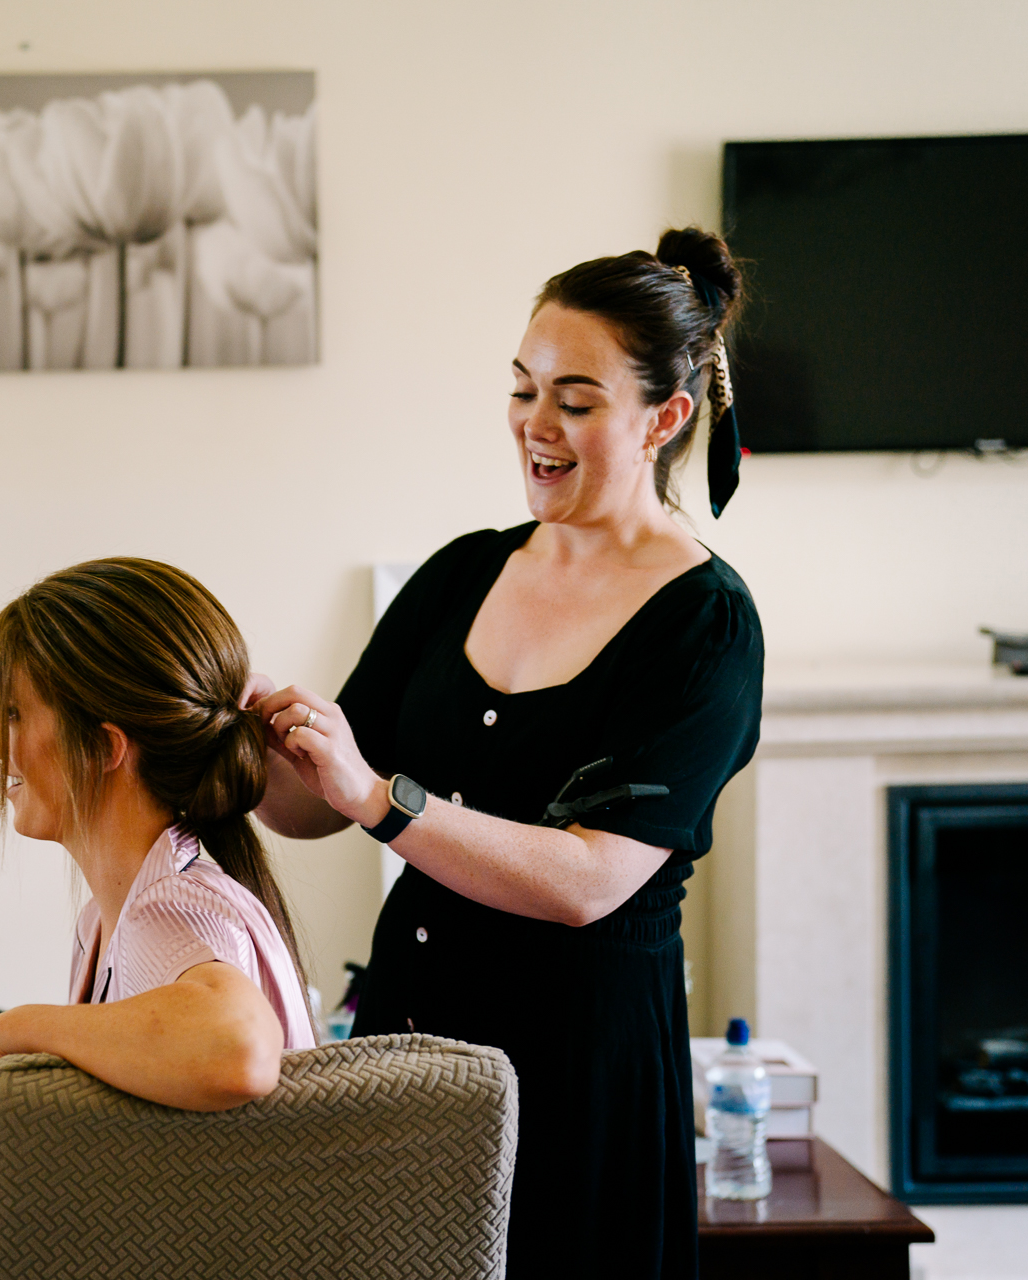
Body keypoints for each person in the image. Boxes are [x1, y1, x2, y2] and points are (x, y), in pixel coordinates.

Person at [250, 228, 763, 1278]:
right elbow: (304, 806)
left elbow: (588, 878)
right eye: (523, 389)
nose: (537, 425)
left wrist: (384, 799)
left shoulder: (703, 625)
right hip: (409, 1046)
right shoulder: (457, 577)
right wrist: (225, 726)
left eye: (576, 400)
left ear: (665, 418)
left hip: (577, 1079)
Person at [0, 557, 316, 1244]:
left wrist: (9, 1032)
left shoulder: (170, 909)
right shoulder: (116, 915)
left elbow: (239, 1047)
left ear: (107, 747)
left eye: (15, 714)